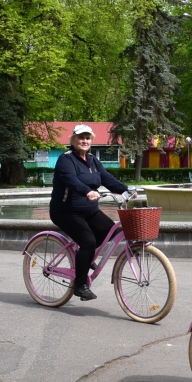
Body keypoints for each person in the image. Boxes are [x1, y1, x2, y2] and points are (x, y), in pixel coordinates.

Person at [48, 124, 132, 301]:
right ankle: (80, 286)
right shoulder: (66, 159)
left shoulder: (93, 160)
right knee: (88, 241)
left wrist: (126, 189)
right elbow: (71, 180)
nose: (84, 141)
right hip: (65, 211)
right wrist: (87, 191)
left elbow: (106, 178)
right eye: (80, 137)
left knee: (111, 232)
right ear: (73, 140)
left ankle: (84, 258)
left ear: (91, 141)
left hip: (89, 210)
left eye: (87, 138)